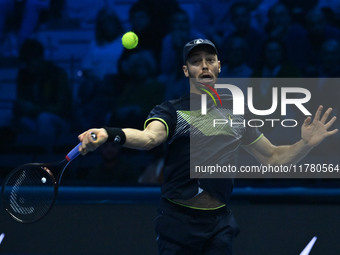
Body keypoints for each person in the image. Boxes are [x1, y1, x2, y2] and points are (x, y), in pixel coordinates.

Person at [77, 39, 338, 254]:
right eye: (195, 61)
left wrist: (305, 143)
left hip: (219, 224)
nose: (204, 66)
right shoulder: (172, 110)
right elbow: (149, 138)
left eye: (209, 60)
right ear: (185, 70)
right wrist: (108, 133)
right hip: (177, 222)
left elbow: (273, 157)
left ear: (219, 67)